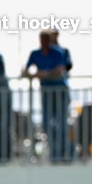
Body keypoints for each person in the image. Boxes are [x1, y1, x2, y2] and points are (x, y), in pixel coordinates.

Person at [23, 30, 71, 162]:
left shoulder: (58, 52)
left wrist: (42, 74)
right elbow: (26, 71)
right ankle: (52, 153)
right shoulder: (35, 53)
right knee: (47, 123)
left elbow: (60, 70)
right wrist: (39, 74)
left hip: (60, 91)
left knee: (61, 123)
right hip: (46, 93)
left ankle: (62, 153)